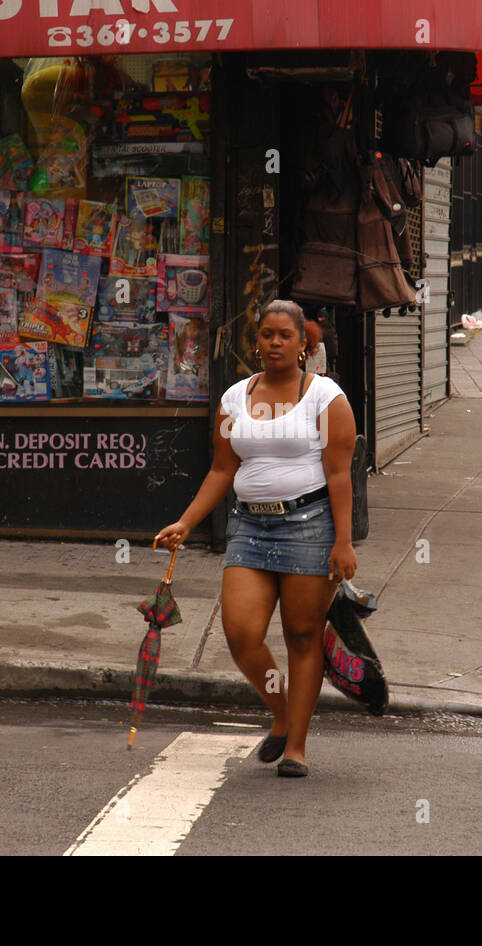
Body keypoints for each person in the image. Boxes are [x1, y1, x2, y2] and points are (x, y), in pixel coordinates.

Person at [154, 299, 357, 778]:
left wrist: (343, 544)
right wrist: (186, 521)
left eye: (285, 335)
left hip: (309, 527)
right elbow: (223, 468)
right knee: (242, 634)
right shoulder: (233, 398)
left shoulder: (326, 398)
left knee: (302, 636)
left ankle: (297, 747)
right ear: (257, 339)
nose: (274, 343)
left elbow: (340, 475)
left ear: (303, 343)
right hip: (249, 526)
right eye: (266, 334)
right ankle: (281, 712)